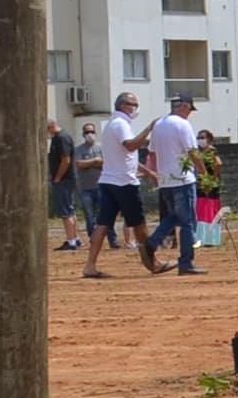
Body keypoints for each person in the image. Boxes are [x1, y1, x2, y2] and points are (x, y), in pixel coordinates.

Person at [82, 89, 148, 279]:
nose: (136, 108)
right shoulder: (121, 124)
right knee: (139, 224)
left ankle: (90, 265)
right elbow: (131, 145)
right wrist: (148, 129)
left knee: (102, 224)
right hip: (123, 182)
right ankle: (153, 262)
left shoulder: (112, 124)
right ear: (123, 105)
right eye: (133, 104)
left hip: (109, 180)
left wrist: (149, 172)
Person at [143, 91, 204, 275]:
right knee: (187, 223)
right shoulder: (182, 124)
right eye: (189, 109)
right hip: (183, 180)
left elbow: (151, 154)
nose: (189, 113)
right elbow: (192, 151)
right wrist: (204, 172)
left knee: (175, 216)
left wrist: (154, 174)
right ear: (184, 106)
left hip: (166, 181)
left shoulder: (159, 124)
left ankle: (151, 243)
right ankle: (186, 262)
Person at [46, 119, 80, 250]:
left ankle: (71, 241)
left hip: (64, 180)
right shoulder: (58, 137)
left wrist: (58, 177)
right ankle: (75, 238)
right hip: (66, 179)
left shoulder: (62, 138)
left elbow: (65, 160)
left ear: (51, 127)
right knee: (70, 210)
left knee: (65, 211)